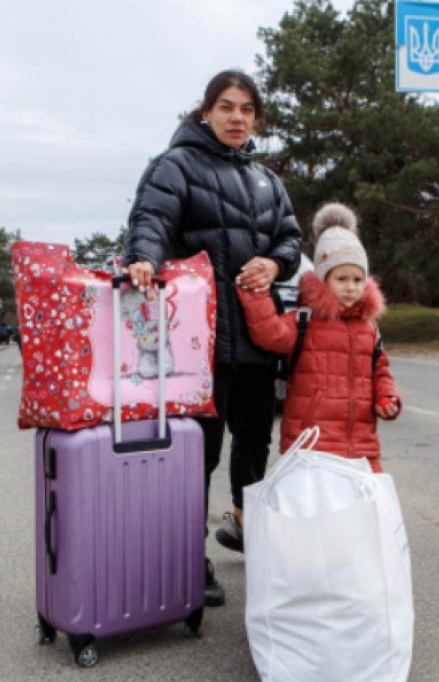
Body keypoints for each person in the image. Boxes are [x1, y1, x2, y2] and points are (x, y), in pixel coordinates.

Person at [122, 69, 302, 606]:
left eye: (247, 109)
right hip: (196, 343)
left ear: (256, 119)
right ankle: (188, 557)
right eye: (226, 106)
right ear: (206, 112)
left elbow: (290, 238)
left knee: (254, 444)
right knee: (196, 454)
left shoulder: (267, 181)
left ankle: (249, 531)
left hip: (255, 337)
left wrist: (274, 263)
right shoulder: (175, 165)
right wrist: (143, 261)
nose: (237, 117)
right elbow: (151, 219)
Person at [236, 203, 402, 471]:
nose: (351, 287)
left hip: (361, 445)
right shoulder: (305, 322)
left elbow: (380, 371)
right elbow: (270, 333)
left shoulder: (369, 329)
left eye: (358, 279)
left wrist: (387, 398)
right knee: (314, 511)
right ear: (323, 279)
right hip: (311, 442)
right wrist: (255, 292)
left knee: (361, 510)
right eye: (342, 278)